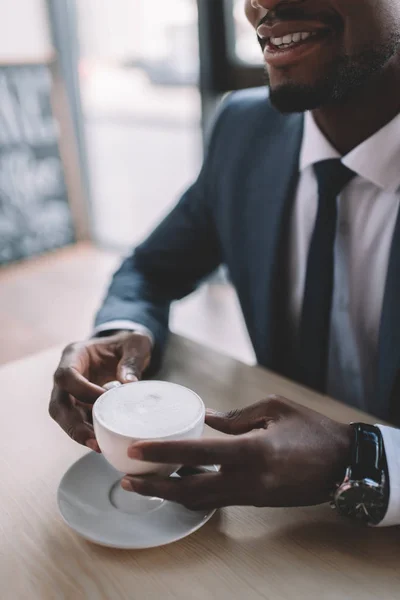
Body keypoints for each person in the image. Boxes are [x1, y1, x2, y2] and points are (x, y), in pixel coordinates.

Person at [49, 0, 400, 526]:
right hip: (279, 533)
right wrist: (125, 330)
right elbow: (151, 270)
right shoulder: (244, 129)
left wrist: (362, 459)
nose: (259, 4)